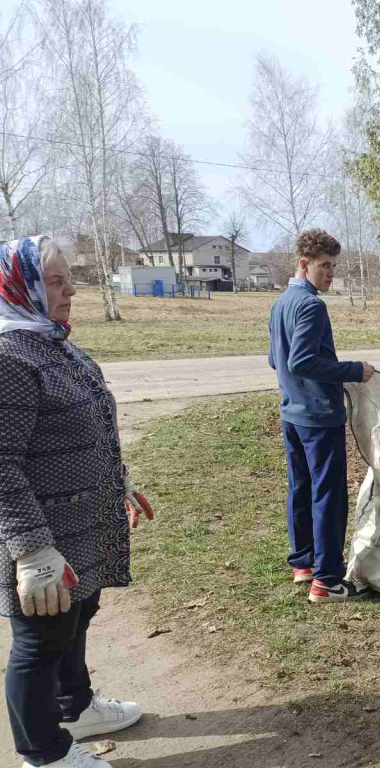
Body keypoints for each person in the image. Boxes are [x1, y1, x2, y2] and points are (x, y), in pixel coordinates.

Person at [0, 236, 154, 768]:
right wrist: (32, 551)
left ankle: (76, 707)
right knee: (40, 641)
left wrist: (119, 480)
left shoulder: (55, 344)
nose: (71, 291)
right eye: (56, 281)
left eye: (70, 280)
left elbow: (89, 424)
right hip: (41, 533)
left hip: (81, 522)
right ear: (18, 287)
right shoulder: (8, 357)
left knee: (79, 614)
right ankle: (43, 753)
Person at [269, 228, 376, 603]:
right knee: (328, 495)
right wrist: (354, 370)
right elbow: (300, 362)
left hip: (292, 415)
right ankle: (327, 580)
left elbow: (275, 360)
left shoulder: (281, 303)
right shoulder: (311, 306)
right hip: (317, 416)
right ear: (304, 264)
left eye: (333, 265)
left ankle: (304, 564)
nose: (331, 273)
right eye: (325, 266)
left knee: (301, 489)